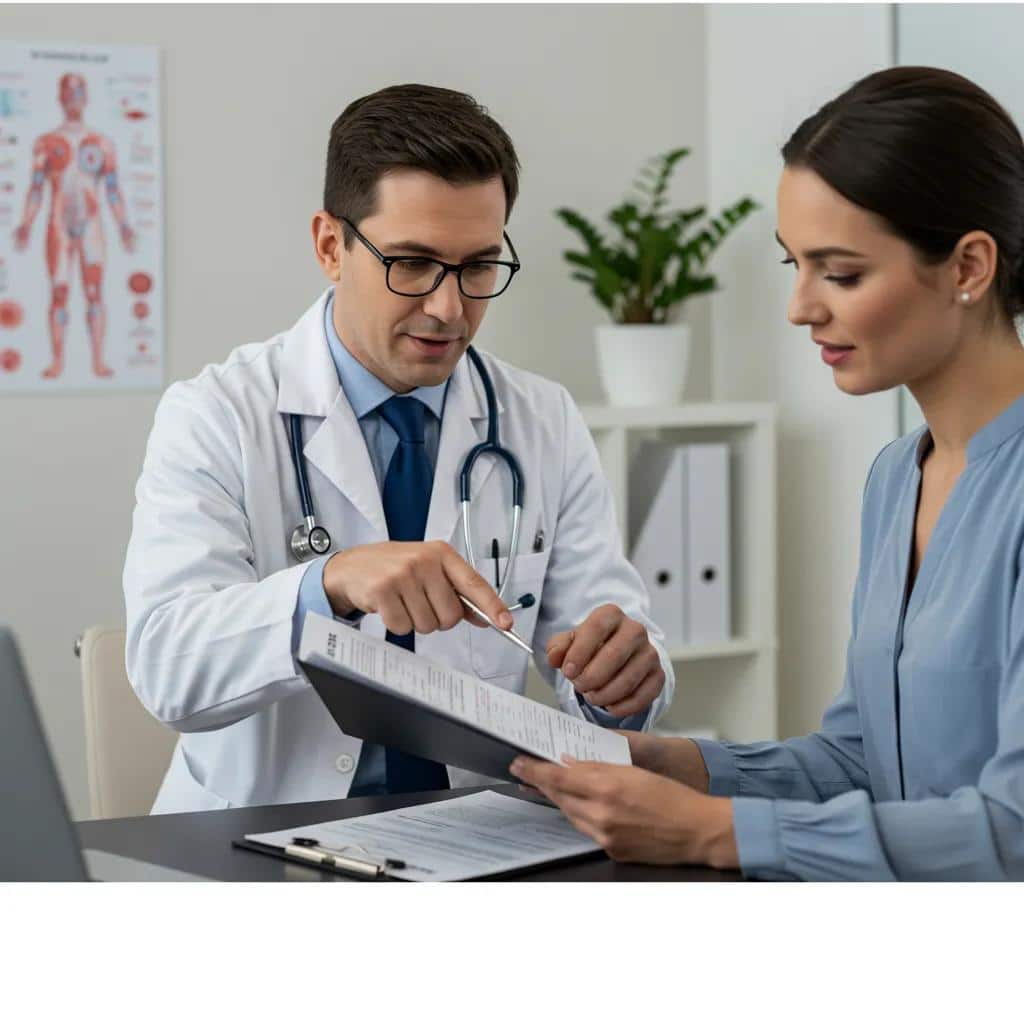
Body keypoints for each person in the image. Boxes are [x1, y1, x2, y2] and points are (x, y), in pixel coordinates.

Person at [512, 66, 1024, 881]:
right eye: (795, 265)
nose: (801, 307)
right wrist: (676, 767)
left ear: (968, 267)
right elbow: (864, 766)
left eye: (842, 273)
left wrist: (714, 832)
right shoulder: (899, 477)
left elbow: (1013, 831)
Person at [123, 84, 674, 814]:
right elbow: (168, 665)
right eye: (412, 263)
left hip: (470, 836)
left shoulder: (542, 419)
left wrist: (623, 685)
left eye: (479, 266)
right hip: (258, 840)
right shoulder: (217, 415)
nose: (449, 308)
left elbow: (601, 656)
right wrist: (329, 586)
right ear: (330, 245)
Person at [13, 73, 136, 379]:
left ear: (86, 96)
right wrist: (26, 223)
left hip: (91, 224)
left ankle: (97, 361)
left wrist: (123, 224)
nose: (73, 97)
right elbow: (36, 187)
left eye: (79, 91)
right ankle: (58, 362)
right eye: (68, 92)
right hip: (59, 225)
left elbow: (112, 188)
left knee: (94, 292)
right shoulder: (46, 142)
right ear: (60, 96)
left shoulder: (102, 143)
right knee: (59, 291)